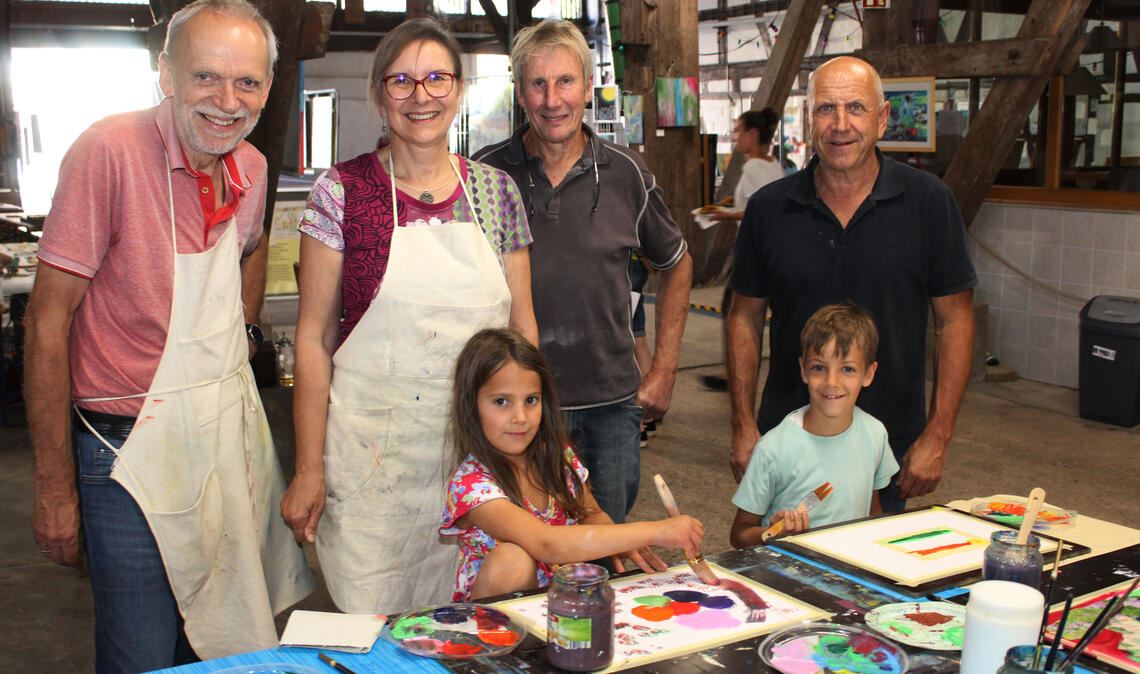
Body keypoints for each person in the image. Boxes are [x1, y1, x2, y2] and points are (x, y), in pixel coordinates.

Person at [25, 0, 313, 670]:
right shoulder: (110, 153)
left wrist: (238, 333)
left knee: (218, 648)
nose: (226, 101)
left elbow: (249, 250)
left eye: (247, 83)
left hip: (219, 443)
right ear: (167, 75)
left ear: (268, 90)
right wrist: (55, 487)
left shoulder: (251, 170)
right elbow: (46, 323)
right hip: (125, 456)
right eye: (206, 77)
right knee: (142, 656)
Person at [280, 18, 538, 615]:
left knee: (482, 623)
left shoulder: (497, 193)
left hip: (482, 465)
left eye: (436, 78)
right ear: (378, 94)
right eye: (401, 80)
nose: (420, 96)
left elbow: (524, 333)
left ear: (459, 90)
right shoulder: (339, 193)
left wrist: (538, 457)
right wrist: (308, 468)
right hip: (375, 471)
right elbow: (314, 339)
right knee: (379, 630)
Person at [726, 56, 976, 512]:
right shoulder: (769, 209)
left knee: (871, 575)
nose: (840, 125)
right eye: (826, 109)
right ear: (809, 118)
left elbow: (955, 321)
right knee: (778, 570)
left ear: (882, 119)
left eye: (856, 108)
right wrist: (743, 423)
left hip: (891, 441)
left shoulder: (929, 203)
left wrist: (938, 434)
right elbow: (743, 316)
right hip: (789, 436)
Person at [474, 19, 692, 524]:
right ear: (520, 92)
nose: (553, 99)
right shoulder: (485, 176)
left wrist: (662, 370)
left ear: (588, 88)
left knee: (606, 553)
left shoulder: (627, 175)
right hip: (515, 407)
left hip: (609, 407)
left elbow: (678, 265)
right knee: (520, 556)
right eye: (538, 83)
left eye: (566, 81)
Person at [440, 328, 704, 600]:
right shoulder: (470, 486)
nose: (520, 416)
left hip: (560, 604)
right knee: (512, 560)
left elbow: (591, 513)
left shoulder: (555, 454)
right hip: (496, 626)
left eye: (531, 400)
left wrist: (618, 537)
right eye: (501, 402)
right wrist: (653, 531)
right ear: (471, 406)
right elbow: (546, 544)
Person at [730, 303, 898, 548]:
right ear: (804, 370)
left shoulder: (875, 434)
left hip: (850, 572)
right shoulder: (774, 448)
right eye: (819, 368)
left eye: (847, 369)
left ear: (869, 374)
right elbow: (739, 535)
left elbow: (872, 513)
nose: (832, 382)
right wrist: (772, 533)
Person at [700, 108, 783, 392]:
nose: (735, 137)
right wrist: (728, 202)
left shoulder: (753, 167)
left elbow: (753, 211)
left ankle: (734, 371)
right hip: (774, 249)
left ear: (752, 134)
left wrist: (721, 215)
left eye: (738, 131)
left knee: (736, 312)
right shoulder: (772, 163)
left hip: (753, 251)